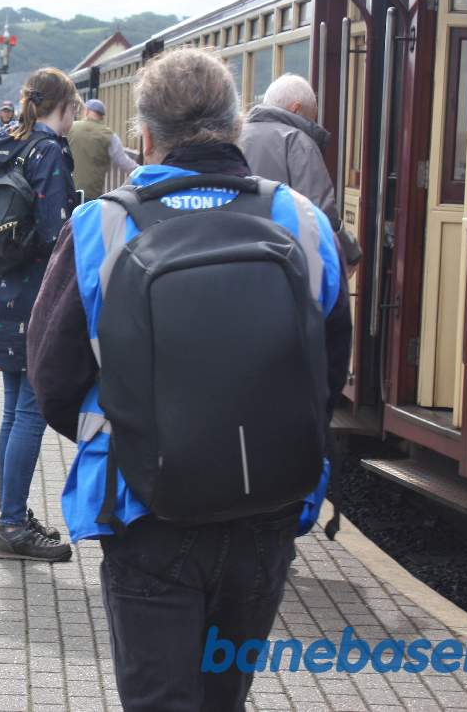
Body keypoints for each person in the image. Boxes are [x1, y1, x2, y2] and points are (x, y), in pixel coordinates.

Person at [27, 49, 351, 711]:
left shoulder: (102, 225)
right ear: (234, 127)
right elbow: (330, 371)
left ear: (145, 136)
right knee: (223, 697)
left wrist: (138, 427)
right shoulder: (303, 222)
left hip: (147, 511)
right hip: (267, 509)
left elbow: (52, 377)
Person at [0, 68, 77, 562]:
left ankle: (10, 513)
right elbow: (57, 230)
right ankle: (12, 523)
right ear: (65, 105)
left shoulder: (5, 142)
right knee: (31, 410)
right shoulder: (49, 151)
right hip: (38, 290)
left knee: (15, 408)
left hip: (3, 287)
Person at [238, 74, 340, 227]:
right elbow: (319, 214)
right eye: (311, 118)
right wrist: (350, 247)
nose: (312, 124)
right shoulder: (298, 142)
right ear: (296, 109)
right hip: (281, 246)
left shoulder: (235, 137)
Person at [67, 98, 139, 201]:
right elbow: (124, 163)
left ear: (86, 111)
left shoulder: (71, 128)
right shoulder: (109, 136)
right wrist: (143, 170)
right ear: (102, 116)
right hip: (91, 193)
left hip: (68, 189)